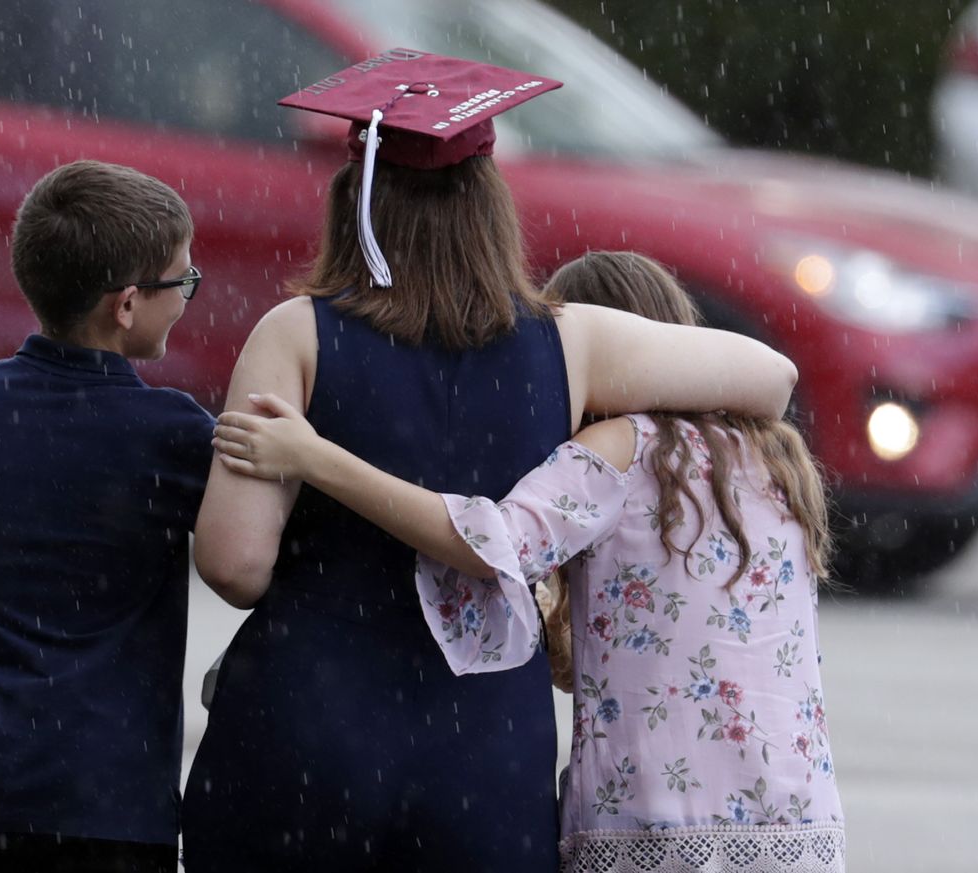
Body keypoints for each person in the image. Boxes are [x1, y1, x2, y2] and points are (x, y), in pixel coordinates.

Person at [183, 49, 798, 873]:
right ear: (492, 207)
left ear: (354, 205)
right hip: (485, 754)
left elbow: (235, 564)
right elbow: (772, 377)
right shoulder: (571, 341)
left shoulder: (294, 335)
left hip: (307, 726)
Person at [211, 251, 845, 873]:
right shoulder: (775, 463)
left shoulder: (618, 449)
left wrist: (314, 457)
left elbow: (491, 547)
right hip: (794, 815)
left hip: (654, 816)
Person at [0, 160, 214, 873]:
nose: (189, 297)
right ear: (127, 304)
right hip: (101, 803)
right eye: (182, 281)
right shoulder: (170, 431)